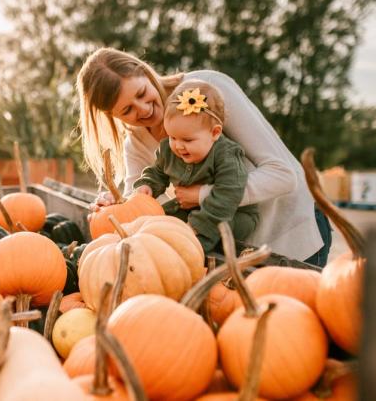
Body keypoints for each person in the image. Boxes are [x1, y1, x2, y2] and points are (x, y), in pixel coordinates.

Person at [77, 47, 331, 266]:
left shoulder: (206, 92)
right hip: (236, 250)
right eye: (127, 110)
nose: (144, 109)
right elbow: (139, 208)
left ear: (145, 71)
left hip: (292, 234)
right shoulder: (136, 144)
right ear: (112, 115)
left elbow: (282, 174)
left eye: (142, 94)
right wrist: (115, 202)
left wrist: (202, 195)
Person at [133, 80, 259, 252]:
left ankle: (193, 251)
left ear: (214, 133)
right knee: (158, 222)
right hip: (190, 209)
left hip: (233, 213)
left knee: (218, 229)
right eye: (172, 137)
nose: (178, 146)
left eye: (187, 140)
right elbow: (157, 171)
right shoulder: (169, 150)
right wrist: (148, 185)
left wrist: (198, 227)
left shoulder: (226, 154)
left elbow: (228, 193)